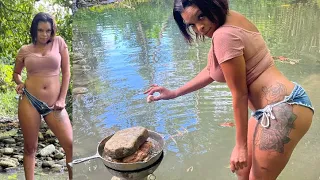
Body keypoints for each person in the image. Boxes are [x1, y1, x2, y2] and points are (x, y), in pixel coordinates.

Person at [144, 0, 314, 179]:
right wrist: (175, 93)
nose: (199, 28)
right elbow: (213, 70)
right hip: (275, 108)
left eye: (201, 16)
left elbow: (239, 94)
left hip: (282, 110)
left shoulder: (223, 36)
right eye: (192, 24)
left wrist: (240, 147)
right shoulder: (229, 18)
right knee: (242, 172)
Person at [13, 12, 73, 180]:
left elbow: (67, 72)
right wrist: (20, 82)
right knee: (30, 148)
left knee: (70, 144)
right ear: (34, 30)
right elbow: (16, 74)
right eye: (40, 30)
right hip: (30, 101)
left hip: (54, 104)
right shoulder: (25, 50)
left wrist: (62, 99)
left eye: (48, 30)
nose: (44, 34)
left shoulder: (59, 43)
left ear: (52, 31)